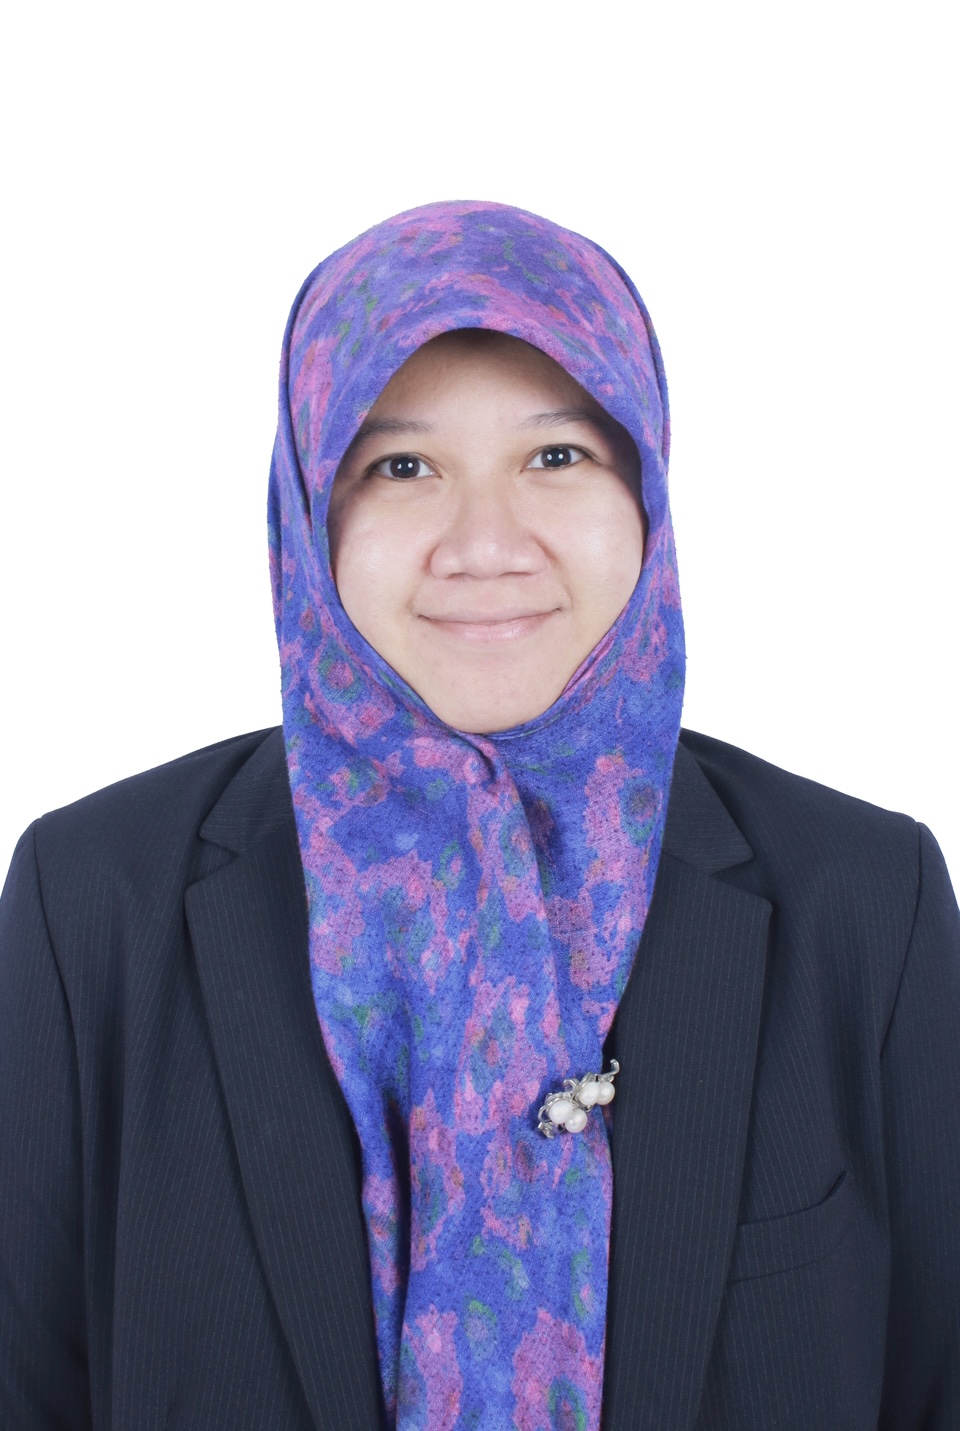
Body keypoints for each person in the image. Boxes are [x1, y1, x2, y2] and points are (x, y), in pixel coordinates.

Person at [1, 200, 958, 1431]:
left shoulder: (864, 901)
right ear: (309, 510)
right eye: (401, 468)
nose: (486, 544)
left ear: (647, 489)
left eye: (556, 458)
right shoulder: (94, 904)